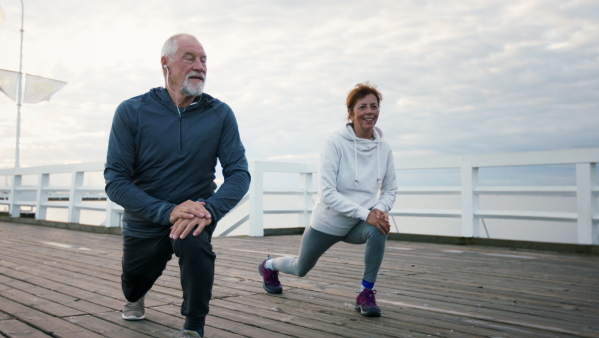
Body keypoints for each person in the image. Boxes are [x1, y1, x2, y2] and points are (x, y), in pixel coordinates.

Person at [104, 33, 250, 338]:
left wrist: (209, 210)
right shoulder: (132, 111)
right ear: (165, 64)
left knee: (194, 238)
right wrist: (167, 211)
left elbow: (239, 174)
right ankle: (136, 295)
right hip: (146, 218)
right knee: (132, 286)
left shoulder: (220, 113)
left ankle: (193, 327)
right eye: (190, 58)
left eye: (204, 60)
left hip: (197, 212)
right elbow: (115, 180)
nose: (200, 66)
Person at [258, 82, 397, 317]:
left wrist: (381, 209)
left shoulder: (384, 148)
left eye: (374, 106)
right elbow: (328, 193)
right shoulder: (334, 142)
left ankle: (366, 292)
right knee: (301, 268)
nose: (369, 111)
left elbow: (390, 188)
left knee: (379, 228)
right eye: (362, 107)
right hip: (328, 224)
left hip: (358, 225)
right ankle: (269, 265)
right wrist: (367, 214)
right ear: (351, 113)